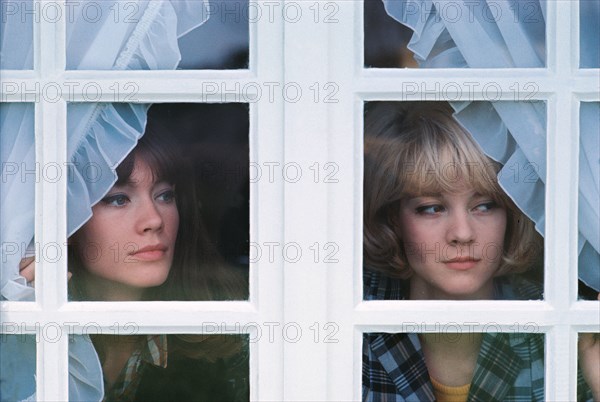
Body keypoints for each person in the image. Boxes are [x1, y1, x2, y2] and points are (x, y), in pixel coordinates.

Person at [362, 102, 599, 401]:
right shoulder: (352, 322)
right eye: (432, 208)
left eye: (484, 205)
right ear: (394, 219)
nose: (462, 233)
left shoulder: (563, 331)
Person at [18, 112, 249, 401]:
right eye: (118, 199)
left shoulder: (232, 336)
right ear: (67, 219)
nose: (154, 220)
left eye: (165, 195)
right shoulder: (21, 332)